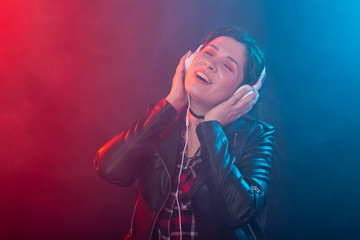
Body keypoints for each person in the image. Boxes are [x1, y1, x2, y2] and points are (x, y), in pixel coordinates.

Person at [94, 27, 275, 240]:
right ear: (190, 60)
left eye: (227, 66)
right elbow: (109, 168)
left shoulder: (256, 136)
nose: (210, 63)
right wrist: (173, 102)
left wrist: (212, 127)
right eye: (208, 53)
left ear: (243, 92)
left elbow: (238, 212)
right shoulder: (162, 119)